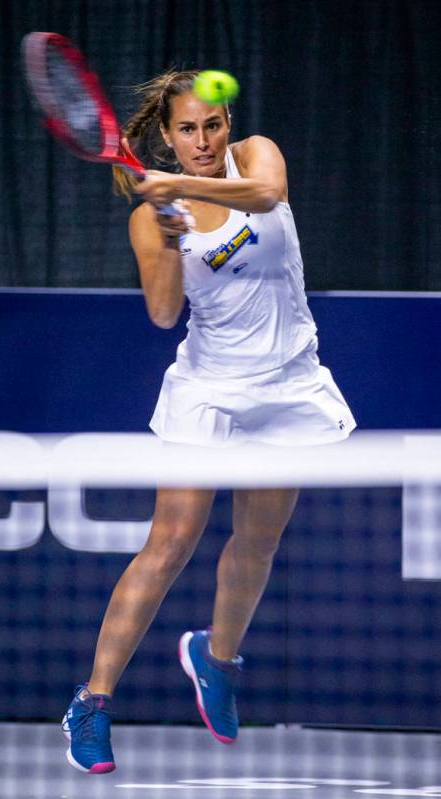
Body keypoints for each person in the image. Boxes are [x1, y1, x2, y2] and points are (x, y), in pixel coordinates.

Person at [62, 70, 357, 774]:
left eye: (212, 125)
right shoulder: (150, 215)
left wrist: (185, 190)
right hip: (209, 391)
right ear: (165, 136)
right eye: (188, 130)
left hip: (289, 387)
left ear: (228, 125)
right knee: (169, 544)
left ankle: (216, 659)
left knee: (256, 545)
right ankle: (93, 702)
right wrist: (166, 236)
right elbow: (164, 315)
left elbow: (267, 196)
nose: (203, 141)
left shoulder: (256, 155)